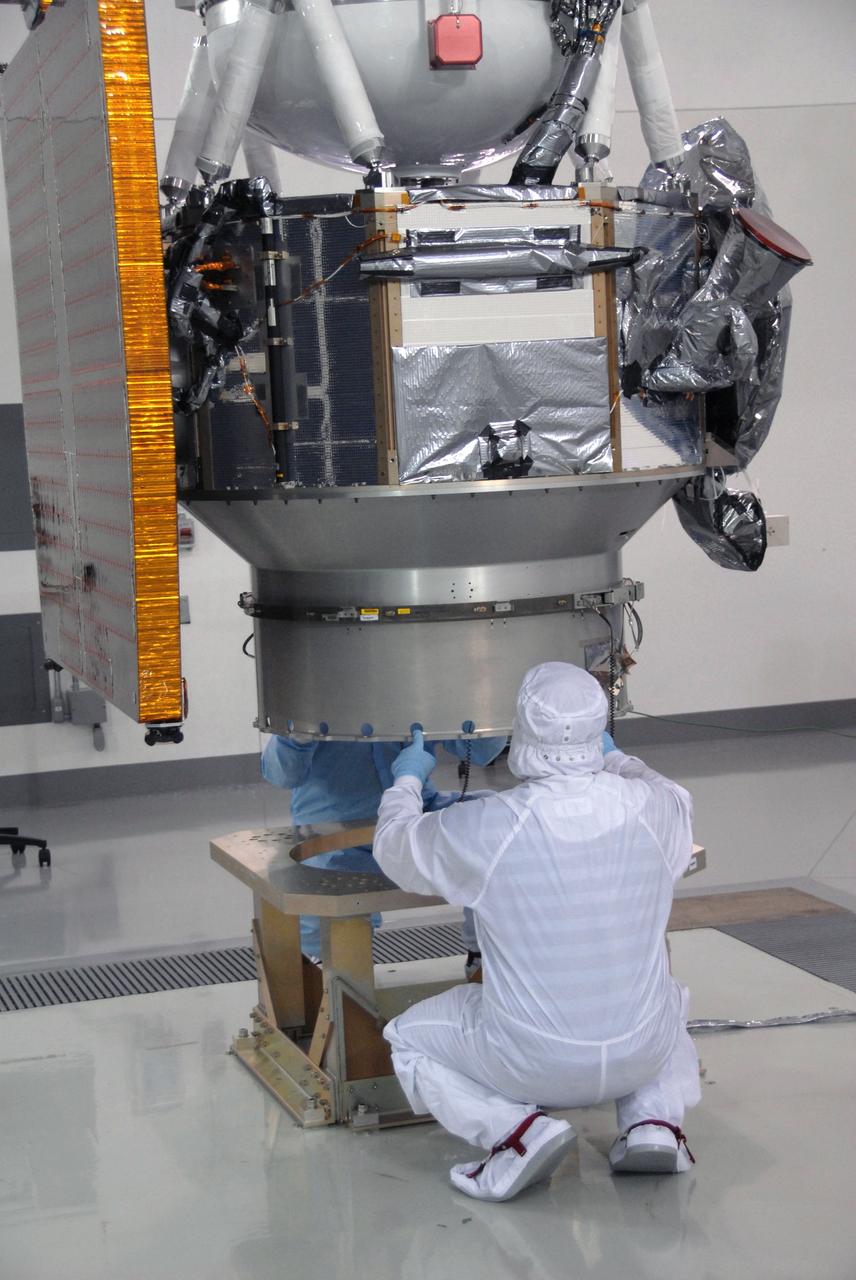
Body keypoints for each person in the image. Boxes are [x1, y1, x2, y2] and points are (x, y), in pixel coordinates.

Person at [372, 662, 701, 1203]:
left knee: (407, 1040)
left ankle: (519, 1133)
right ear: (598, 727)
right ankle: (653, 1124)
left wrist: (408, 778)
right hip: (641, 1051)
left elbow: (397, 847)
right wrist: (615, 758)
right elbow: (667, 790)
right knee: (667, 997)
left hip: (529, 1064)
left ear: (522, 727)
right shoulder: (656, 809)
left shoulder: (491, 827)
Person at [261, 731, 507, 958]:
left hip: (416, 807)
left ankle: (484, 961)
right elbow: (280, 774)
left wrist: (480, 700)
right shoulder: (322, 688)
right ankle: (329, 984)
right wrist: (298, 734)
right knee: (323, 917)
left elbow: (482, 751)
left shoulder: (418, 685)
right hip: (331, 826)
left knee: (494, 824)